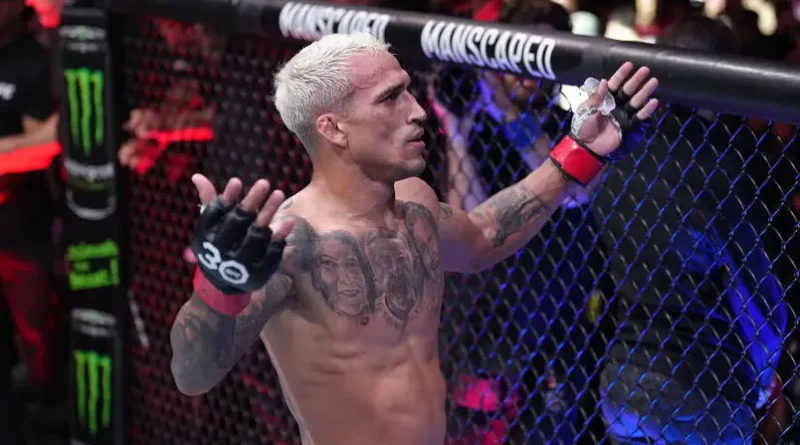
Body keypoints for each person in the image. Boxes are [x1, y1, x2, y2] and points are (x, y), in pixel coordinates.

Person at [168, 32, 659, 445]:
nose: (418, 111)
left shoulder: (415, 202)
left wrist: (579, 152)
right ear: (332, 128)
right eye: (390, 98)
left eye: (408, 91)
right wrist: (218, 286)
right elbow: (192, 374)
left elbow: (484, 234)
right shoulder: (293, 242)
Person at [594, 15, 788, 445]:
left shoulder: (617, 150)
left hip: (625, 375)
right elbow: (761, 299)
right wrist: (760, 380)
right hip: (703, 385)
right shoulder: (729, 160)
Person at [430, 2, 611, 444]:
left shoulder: (574, 123)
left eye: (541, 59)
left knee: (564, 424)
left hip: (562, 297)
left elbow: (573, 189)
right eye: (520, 58)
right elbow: (464, 209)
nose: (528, 74)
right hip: (497, 300)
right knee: (484, 420)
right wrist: (455, 126)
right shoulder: (479, 122)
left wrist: (512, 116)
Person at [0, 0, 63, 443]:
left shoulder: (32, 60)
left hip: (18, 224)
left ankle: (42, 411)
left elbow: (49, 140)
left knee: (35, 334)